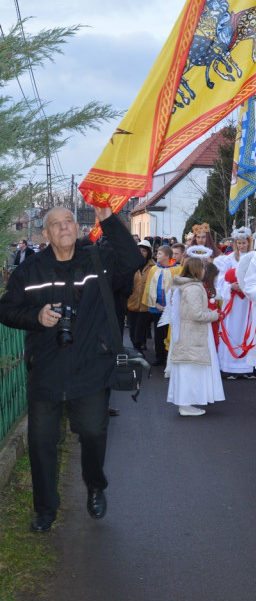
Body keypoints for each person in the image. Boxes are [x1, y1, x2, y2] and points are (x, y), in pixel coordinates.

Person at [0, 206, 142, 532]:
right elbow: (6, 310)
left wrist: (107, 219)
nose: (64, 228)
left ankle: (95, 484)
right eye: (55, 224)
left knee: (93, 430)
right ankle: (46, 508)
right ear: (45, 234)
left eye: (68, 222)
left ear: (76, 227)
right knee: (41, 442)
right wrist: (35, 317)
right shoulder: (30, 270)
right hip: (46, 369)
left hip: (91, 366)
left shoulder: (98, 260)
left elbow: (132, 259)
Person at [167, 257, 224, 416]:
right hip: (192, 333)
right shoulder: (193, 288)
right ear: (196, 270)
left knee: (187, 367)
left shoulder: (183, 285)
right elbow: (196, 314)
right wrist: (215, 315)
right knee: (189, 369)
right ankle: (186, 405)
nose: (205, 271)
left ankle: (185, 403)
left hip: (186, 333)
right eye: (203, 267)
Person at [214, 227, 254, 379]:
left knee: (247, 329)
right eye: (239, 243)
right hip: (233, 301)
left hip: (247, 301)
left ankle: (247, 367)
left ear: (249, 243)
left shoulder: (253, 257)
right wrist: (231, 286)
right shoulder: (228, 259)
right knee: (232, 330)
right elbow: (221, 279)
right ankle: (230, 366)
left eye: (244, 243)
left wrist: (248, 287)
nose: (242, 246)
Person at [142, 244, 173, 366]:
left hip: (171, 308)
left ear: (167, 256)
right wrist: (155, 304)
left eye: (159, 254)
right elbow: (150, 288)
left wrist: (170, 305)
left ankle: (169, 355)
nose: (157, 255)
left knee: (170, 332)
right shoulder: (154, 269)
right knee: (159, 333)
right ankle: (159, 356)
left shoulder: (176, 269)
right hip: (157, 308)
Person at [126, 240, 156, 354]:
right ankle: (136, 347)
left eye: (144, 251)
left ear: (148, 252)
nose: (141, 253)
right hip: (132, 301)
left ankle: (138, 349)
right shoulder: (130, 265)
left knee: (140, 328)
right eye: (139, 250)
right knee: (132, 328)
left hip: (146, 303)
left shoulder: (153, 267)